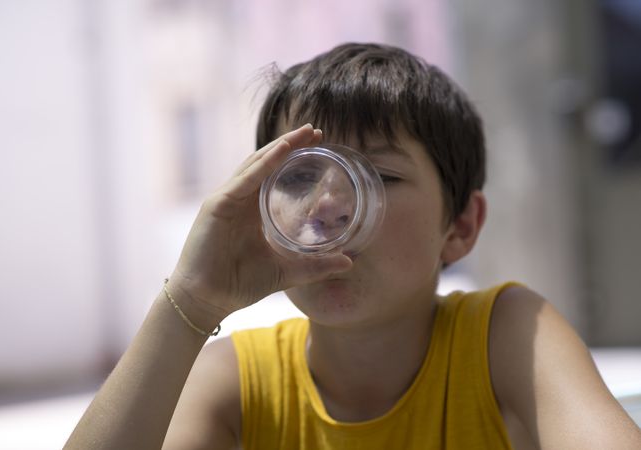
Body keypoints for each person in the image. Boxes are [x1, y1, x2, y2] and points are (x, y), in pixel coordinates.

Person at [65, 43, 641, 450]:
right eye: (297, 177)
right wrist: (191, 303)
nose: (328, 206)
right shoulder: (240, 381)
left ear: (461, 225)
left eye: (380, 177)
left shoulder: (505, 339)